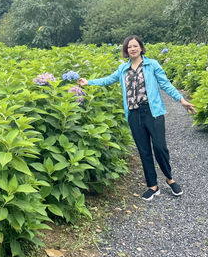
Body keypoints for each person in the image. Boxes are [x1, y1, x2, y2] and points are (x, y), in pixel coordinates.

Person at [78, 35, 196, 200]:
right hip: (134, 114)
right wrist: (89, 82)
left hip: (152, 112)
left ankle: (170, 179)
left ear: (141, 48)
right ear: (126, 51)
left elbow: (165, 84)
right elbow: (108, 80)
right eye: (129, 47)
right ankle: (153, 186)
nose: (132, 49)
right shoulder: (123, 69)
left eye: (135, 46)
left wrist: (181, 100)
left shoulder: (151, 64)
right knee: (144, 150)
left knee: (160, 147)